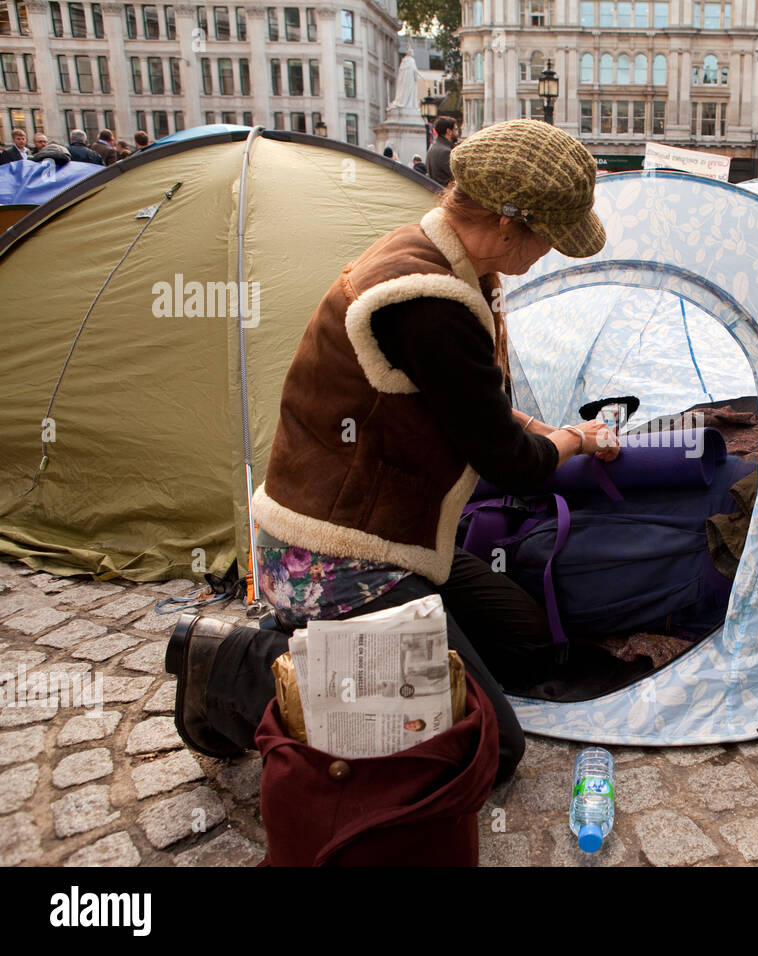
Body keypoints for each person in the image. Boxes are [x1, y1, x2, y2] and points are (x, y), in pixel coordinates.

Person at [167, 119, 615, 786]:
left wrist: (541, 424)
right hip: (338, 556)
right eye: (550, 236)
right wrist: (576, 439)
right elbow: (512, 465)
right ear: (506, 221)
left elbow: (470, 404)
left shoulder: (455, 261)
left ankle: (348, 650)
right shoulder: (429, 303)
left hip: (396, 537)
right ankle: (240, 665)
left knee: (523, 641)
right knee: (487, 754)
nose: (551, 252)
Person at [424, 116, 458, 187]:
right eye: (456, 129)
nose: (457, 133)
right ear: (449, 131)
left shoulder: (433, 147)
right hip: (446, 194)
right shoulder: (446, 152)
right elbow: (458, 177)